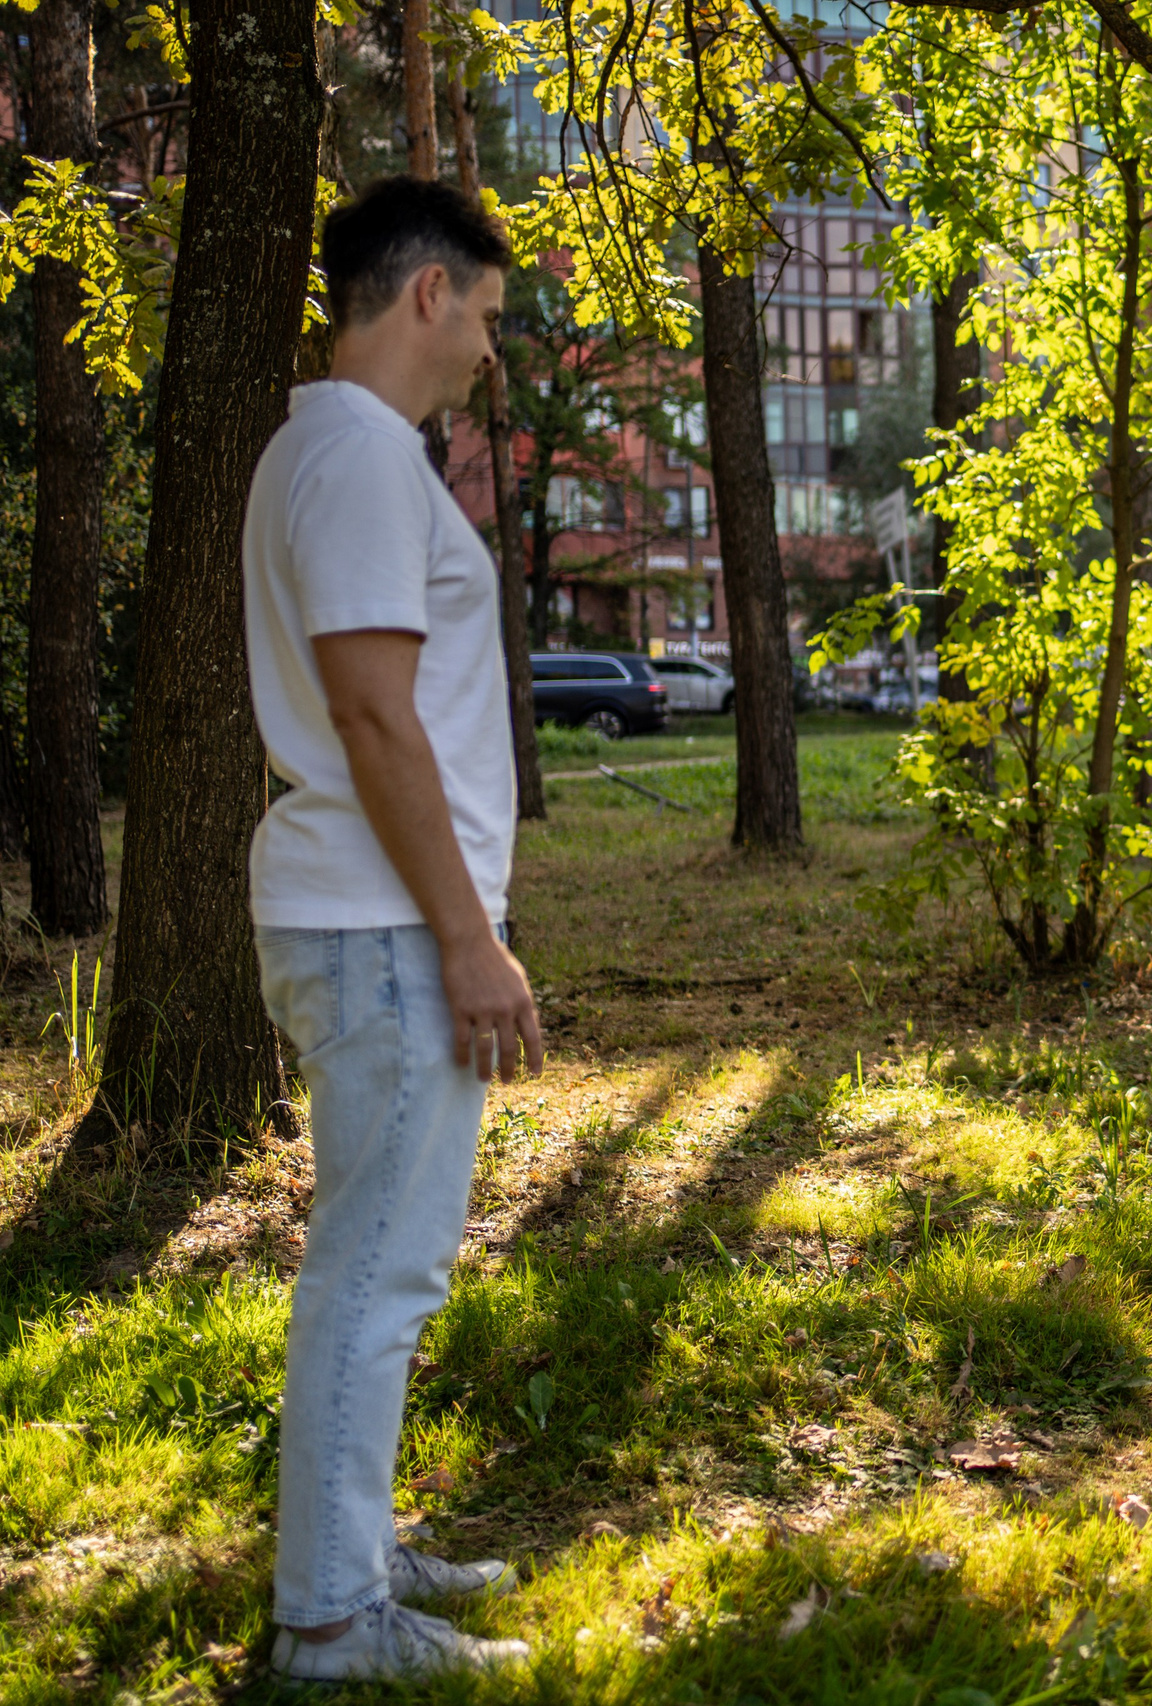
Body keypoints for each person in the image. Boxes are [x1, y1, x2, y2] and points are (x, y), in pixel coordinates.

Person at [246, 177, 542, 1682]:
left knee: (378, 1262)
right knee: (376, 1271)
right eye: (486, 315)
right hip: (382, 924)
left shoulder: (335, 450)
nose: (490, 349)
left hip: (370, 916)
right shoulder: (359, 454)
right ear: (428, 292)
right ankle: (329, 1621)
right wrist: (468, 937)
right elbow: (372, 715)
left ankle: (348, 1552)